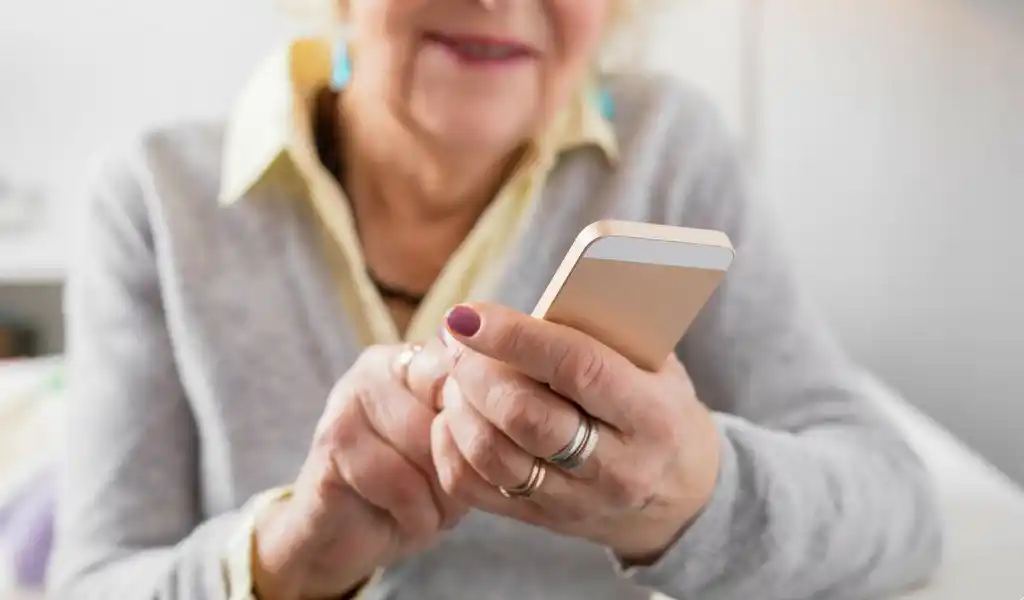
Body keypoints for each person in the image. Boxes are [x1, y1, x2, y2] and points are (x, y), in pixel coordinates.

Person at [48, 1, 943, 599]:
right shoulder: (156, 196)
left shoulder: (670, 150)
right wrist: (291, 558)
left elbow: (899, 512)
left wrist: (691, 495)